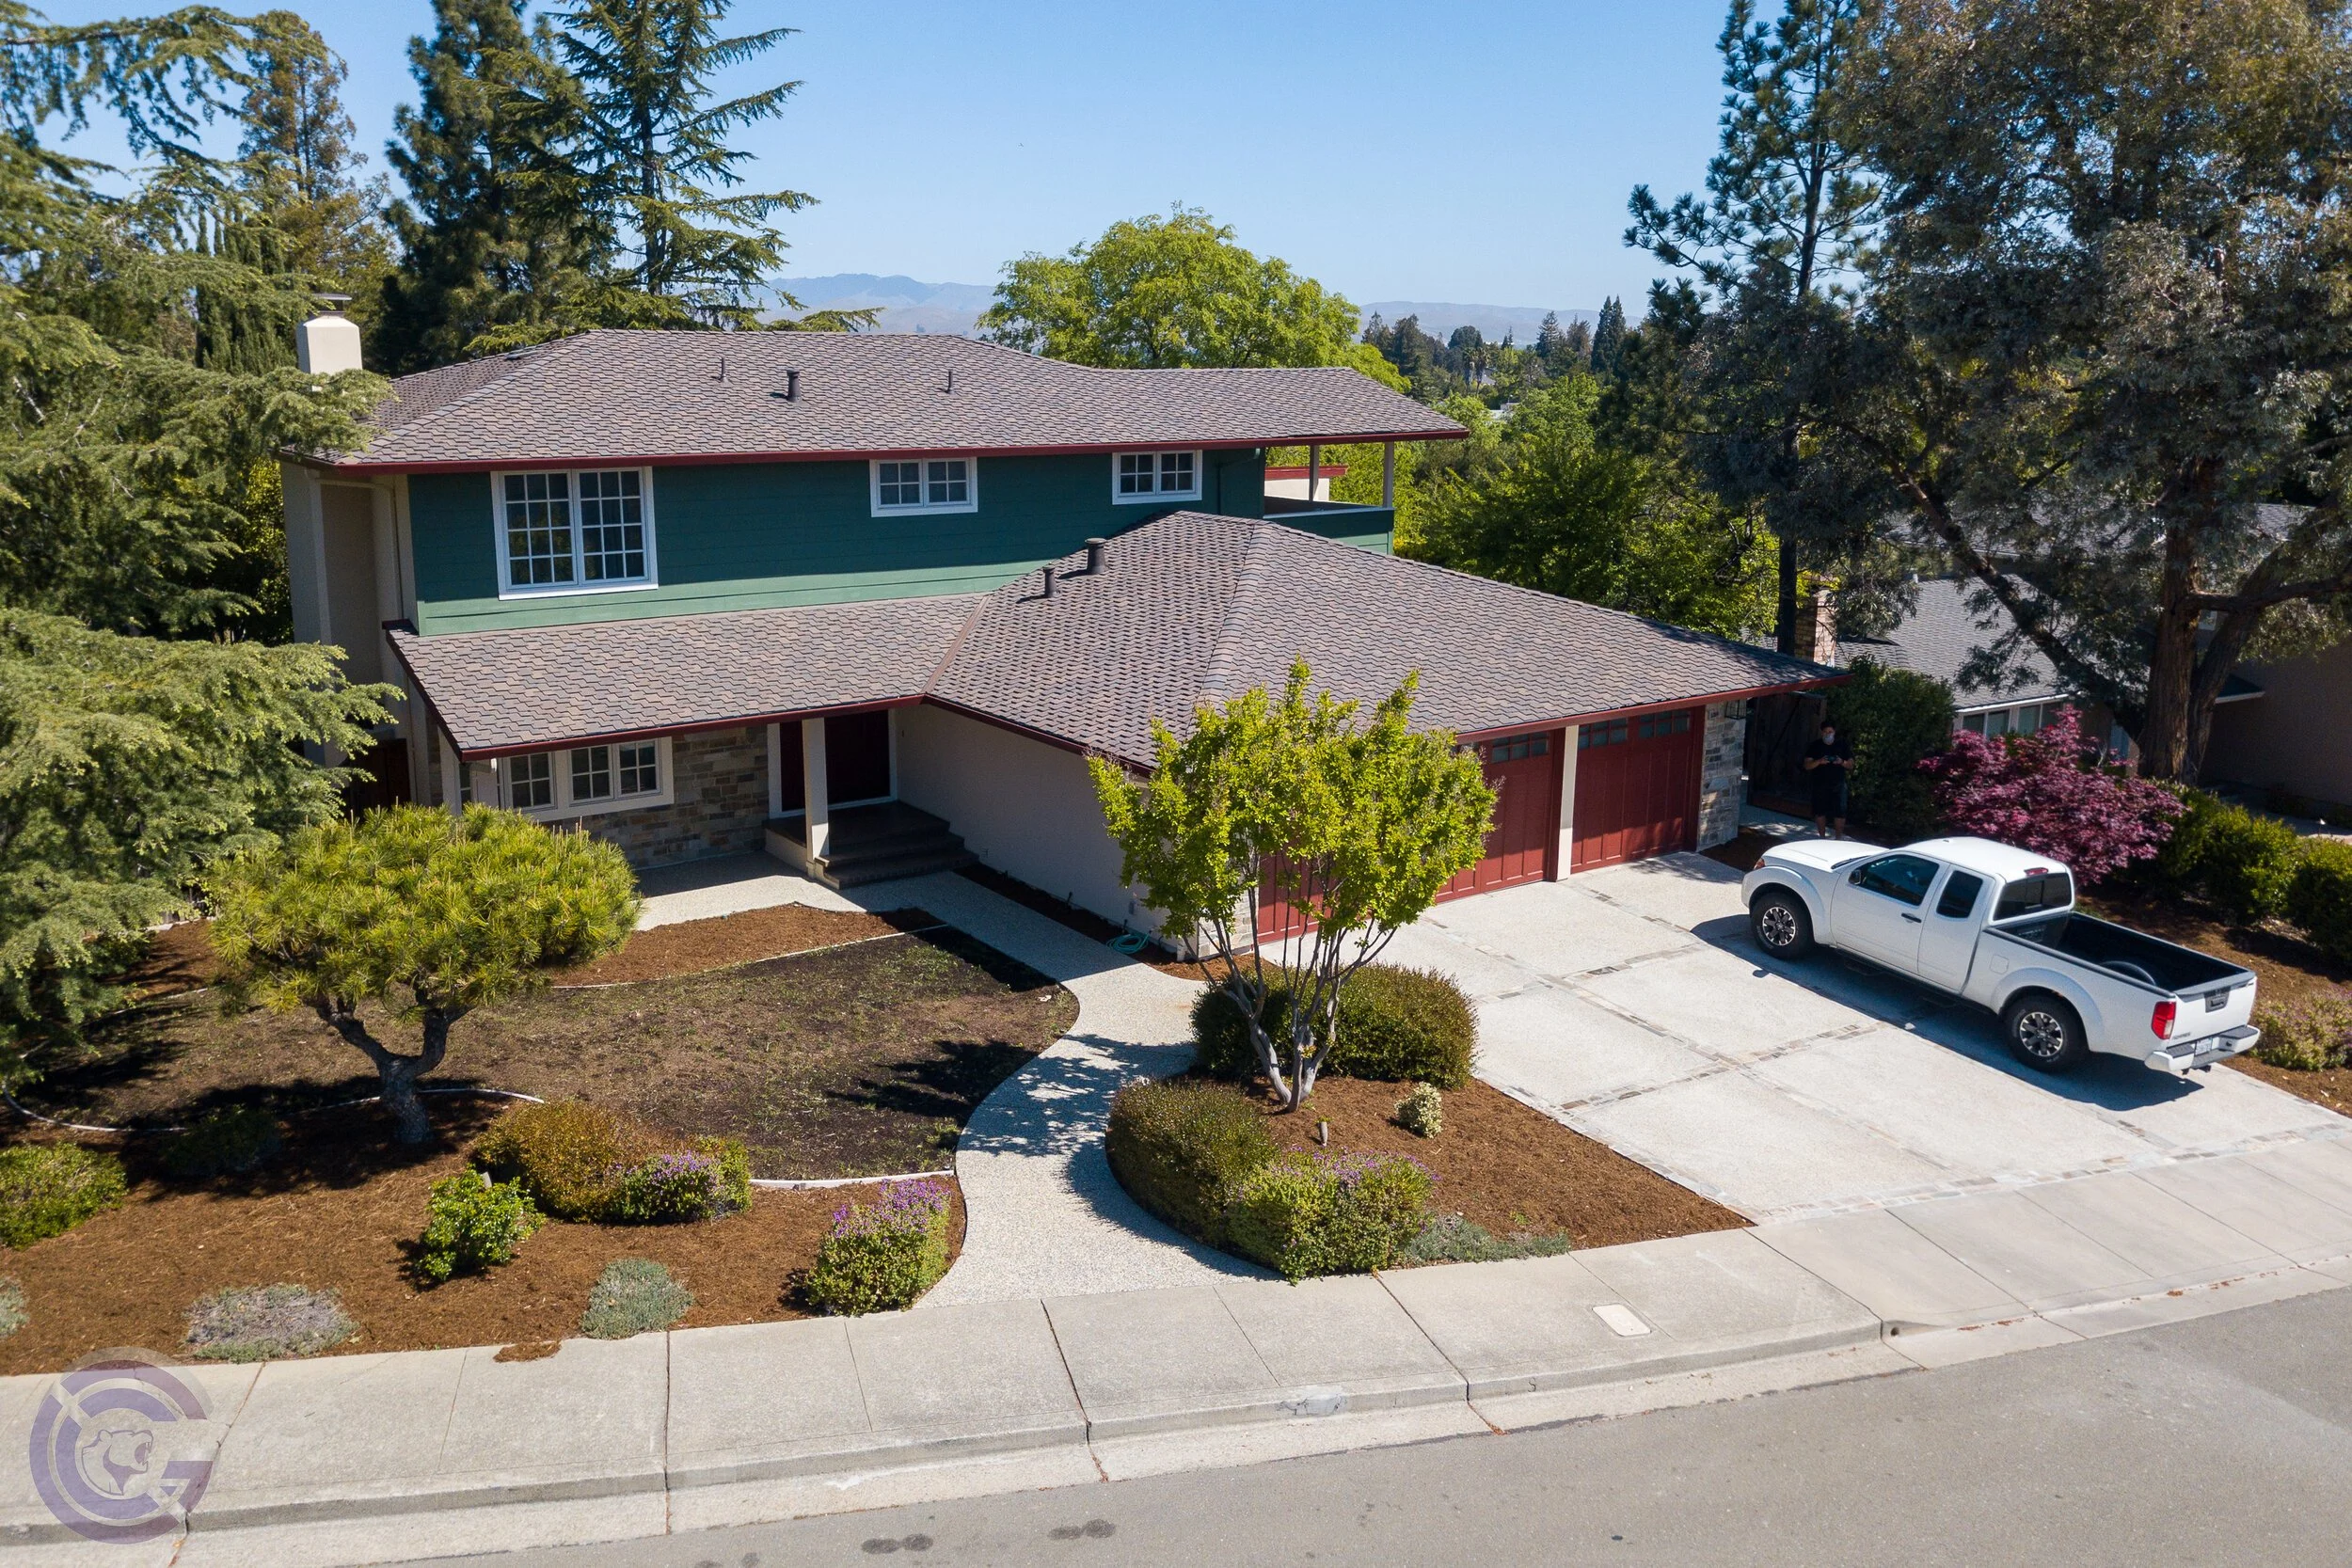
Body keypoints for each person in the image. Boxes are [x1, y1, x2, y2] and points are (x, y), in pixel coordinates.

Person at [1803, 719, 1854, 838]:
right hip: (1820, 783)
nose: (1828, 734)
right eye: (1825, 732)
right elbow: (1807, 765)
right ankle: (1822, 838)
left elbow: (1851, 765)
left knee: (1840, 813)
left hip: (1838, 783)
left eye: (1830, 732)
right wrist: (1819, 761)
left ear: (1834, 732)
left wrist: (1841, 762)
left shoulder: (1842, 745)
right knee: (1820, 812)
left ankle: (1838, 839)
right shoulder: (1815, 746)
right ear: (1822, 732)